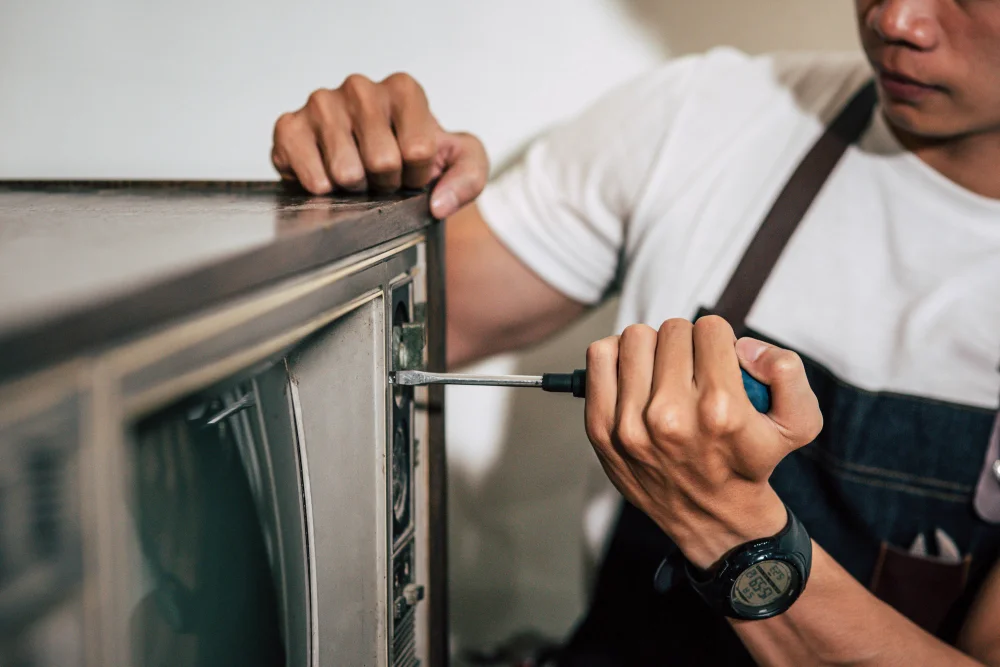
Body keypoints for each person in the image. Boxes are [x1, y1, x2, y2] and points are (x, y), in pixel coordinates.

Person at [270, 0, 1000, 664]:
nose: (897, 21)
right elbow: (369, 340)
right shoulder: (708, 118)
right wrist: (365, 198)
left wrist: (732, 531)